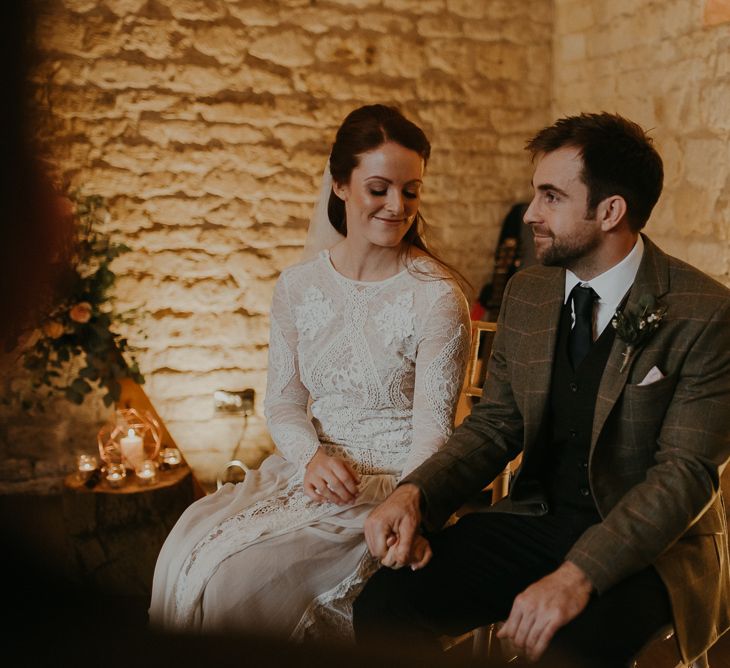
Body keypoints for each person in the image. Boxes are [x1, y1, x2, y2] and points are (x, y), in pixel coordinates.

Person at [353, 112, 730, 667]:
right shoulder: (529, 292)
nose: (530, 213)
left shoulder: (706, 314)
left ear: (610, 211)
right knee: (385, 607)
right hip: (537, 518)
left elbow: (683, 477)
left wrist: (578, 577)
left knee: (565, 652)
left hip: (654, 551)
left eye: (551, 196)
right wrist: (417, 494)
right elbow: (496, 422)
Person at [148, 104, 471, 641]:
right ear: (340, 186)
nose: (397, 206)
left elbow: (433, 434)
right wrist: (310, 457)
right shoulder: (297, 287)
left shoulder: (436, 298)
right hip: (303, 474)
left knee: (236, 584)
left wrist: (403, 505)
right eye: (379, 188)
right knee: (184, 549)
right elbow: (283, 400)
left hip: (388, 492)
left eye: (410, 191)